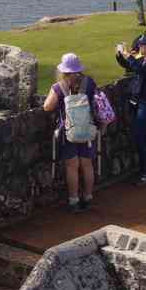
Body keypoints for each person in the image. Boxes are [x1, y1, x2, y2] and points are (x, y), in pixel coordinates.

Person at [43, 53, 107, 212]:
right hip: (88, 129)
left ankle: (73, 201)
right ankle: (88, 197)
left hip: (69, 132)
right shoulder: (90, 83)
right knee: (87, 164)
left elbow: (47, 106)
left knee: (72, 166)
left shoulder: (59, 87)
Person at [116, 34, 146, 185]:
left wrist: (128, 56)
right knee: (145, 137)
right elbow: (129, 66)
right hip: (140, 102)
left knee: (141, 137)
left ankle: (145, 172)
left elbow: (138, 68)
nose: (140, 46)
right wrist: (121, 55)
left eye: (143, 45)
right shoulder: (145, 60)